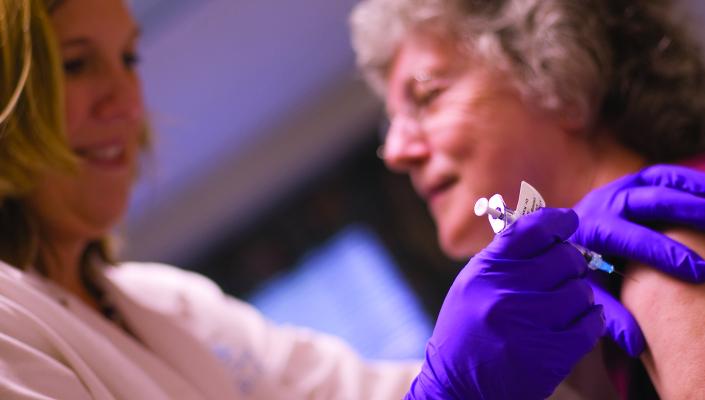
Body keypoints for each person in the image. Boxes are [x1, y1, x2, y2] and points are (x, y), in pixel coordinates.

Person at [0, 0, 701, 399]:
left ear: (555, 77)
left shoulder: (668, 240)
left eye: (128, 59)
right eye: (73, 64)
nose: (128, 101)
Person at [350, 0, 705, 398]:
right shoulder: (588, 336)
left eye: (428, 95)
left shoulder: (666, 243)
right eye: (391, 124)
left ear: (559, 78)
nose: (396, 151)